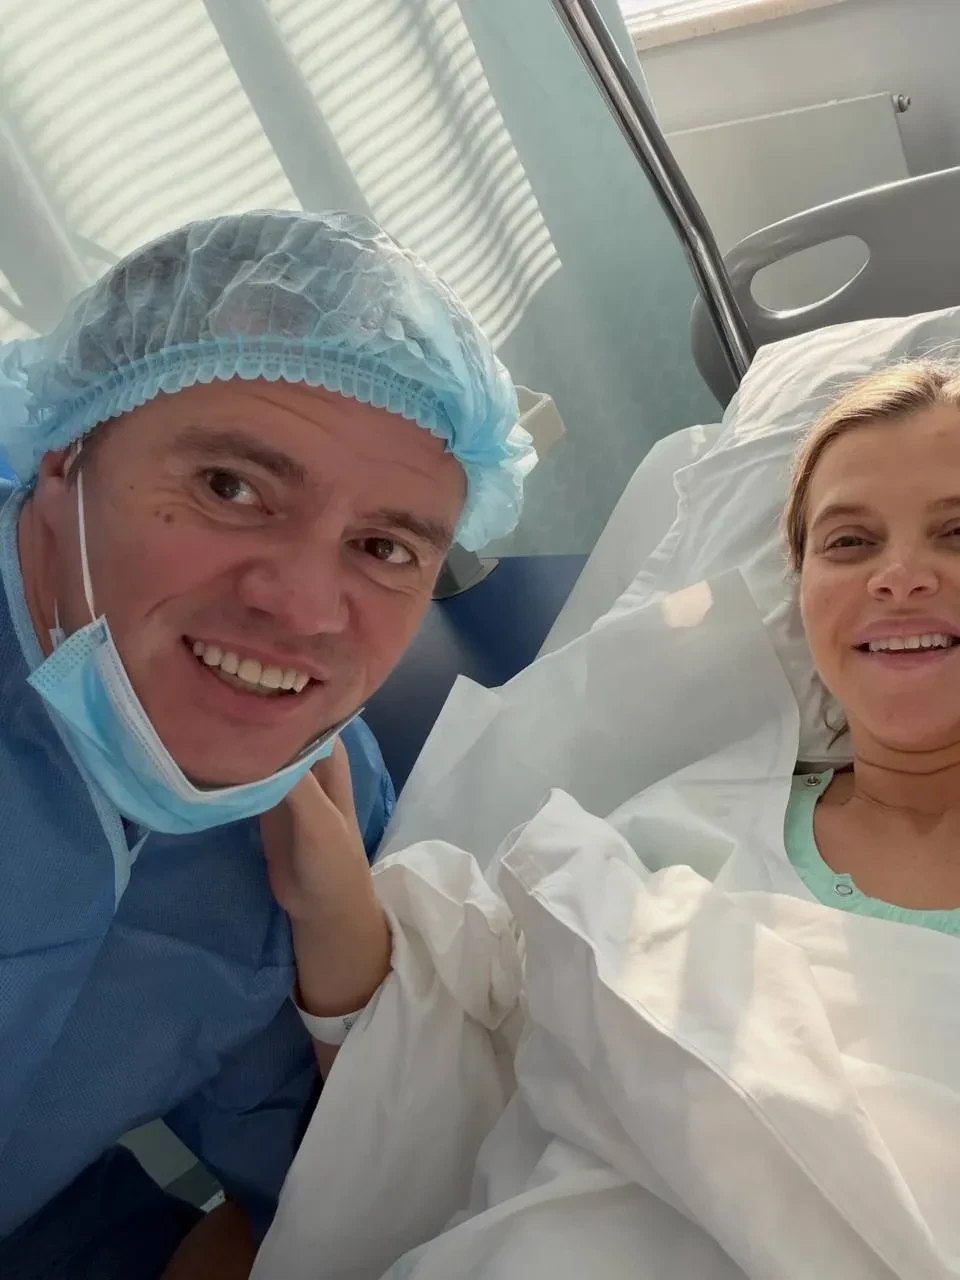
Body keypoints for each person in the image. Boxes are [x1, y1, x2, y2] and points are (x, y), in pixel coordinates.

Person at [251, 360, 960, 1279]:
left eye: (957, 531)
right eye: (850, 542)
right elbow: (422, 1086)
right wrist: (329, 902)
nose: (898, 577)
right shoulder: (673, 832)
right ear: (802, 587)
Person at [0, 209, 535, 1280]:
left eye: (383, 546)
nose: (301, 607)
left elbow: (324, 1194)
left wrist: (347, 968)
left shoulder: (313, 803)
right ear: (64, 457)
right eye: (230, 487)